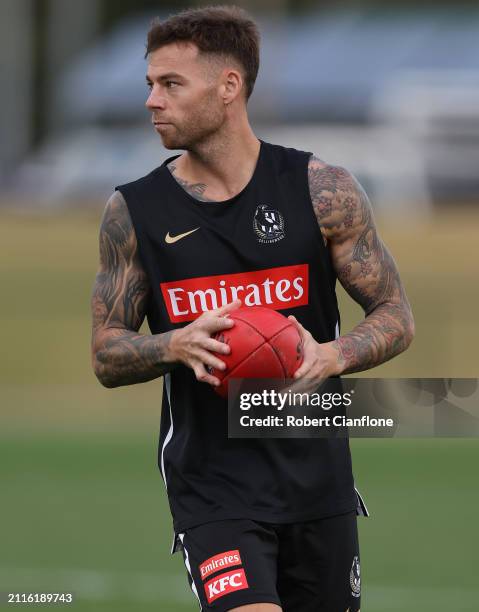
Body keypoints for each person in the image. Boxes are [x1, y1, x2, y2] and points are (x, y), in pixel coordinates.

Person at [90, 5, 414, 611]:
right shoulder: (134, 213)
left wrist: (332, 354)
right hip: (213, 490)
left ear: (229, 87)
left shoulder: (323, 190)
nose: (151, 101)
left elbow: (395, 313)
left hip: (318, 483)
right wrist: (172, 344)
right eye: (149, 85)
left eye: (170, 84)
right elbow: (106, 351)